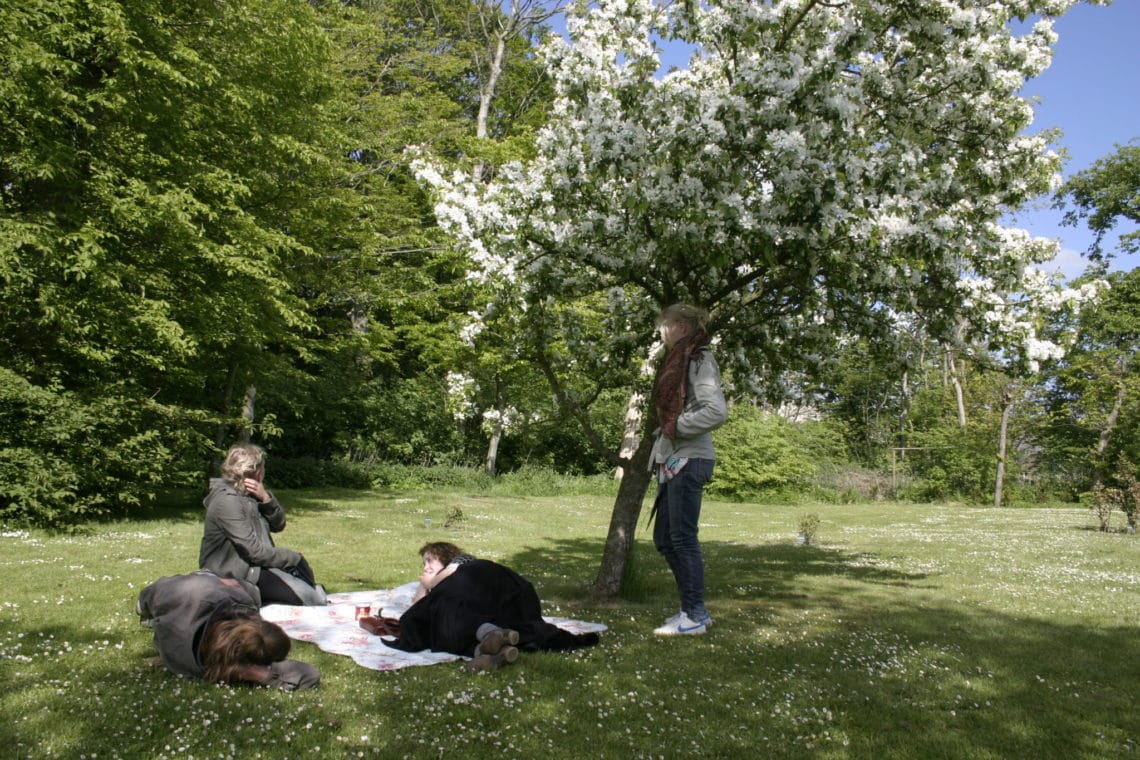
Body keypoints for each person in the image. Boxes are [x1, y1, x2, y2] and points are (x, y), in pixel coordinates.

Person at [385, 542, 600, 671]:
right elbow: (421, 606)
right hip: (503, 603)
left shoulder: (461, 563)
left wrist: (427, 584)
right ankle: (494, 649)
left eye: (429, 561)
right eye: (423, 564)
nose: (426, 568)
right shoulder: (446, 596)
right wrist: (426, 590)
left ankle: (491, 635)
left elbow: (419, 606)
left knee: (421, 621)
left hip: (495, 585)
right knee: (441, 625)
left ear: (445, 557)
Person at [648, 304, 728, 636]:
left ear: (680, 326)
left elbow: (715, 412)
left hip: (690, 459)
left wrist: (675, 426)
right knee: (665, 538)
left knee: (681, 538)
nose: (661, 332)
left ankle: (694, 615)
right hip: (676, 459)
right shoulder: (682, 358)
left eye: (664, 326)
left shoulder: (698, 360)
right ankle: (690, 611)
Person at [137, 570, 320, 690]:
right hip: (174, 590)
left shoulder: (187, 656)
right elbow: (308, 675)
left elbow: (309, 676)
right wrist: (260, 674)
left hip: (194, 592)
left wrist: (251, 671)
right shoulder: (188, 660)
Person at [199, 444, 326, 607]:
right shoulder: (227, 501)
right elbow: (254, 552)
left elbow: (279, 524)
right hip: (235, 573)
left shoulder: (250, 494)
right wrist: (290, 557)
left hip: (257, 567)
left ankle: (303, 590)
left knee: (305, 581)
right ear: (255, 471)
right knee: (307, 599)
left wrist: (266, 498)